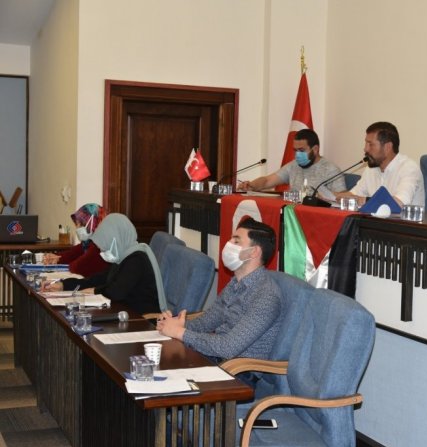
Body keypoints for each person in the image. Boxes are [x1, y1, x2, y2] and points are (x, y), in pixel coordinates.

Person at [157, 217, 282, 363]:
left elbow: (228, 348)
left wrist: (180, 332)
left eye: (236, 241)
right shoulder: (235, 284)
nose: (228, 244)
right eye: (231, 240)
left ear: (253, 252)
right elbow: (204, 324)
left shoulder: (266, 296)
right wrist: (173, 323)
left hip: (238, 370)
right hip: (216, 359)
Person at [43, 213, 164, 314]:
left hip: (141, 319)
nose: (102, 251)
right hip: (124, 312)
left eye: (106, 245)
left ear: (117, 239)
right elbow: (95, 280)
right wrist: (63, 285)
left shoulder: (136, 260)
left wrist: (95, 291)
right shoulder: (121, 258)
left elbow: (116, 292)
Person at [335, 121, 425, 207]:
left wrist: (363, 200)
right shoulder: (371, 169)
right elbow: (353, 194)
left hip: (401, 218)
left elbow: (398, 203)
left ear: (387, 147)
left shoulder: (409, 168)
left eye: (370, 144)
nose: (365, 149)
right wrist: (331, 196)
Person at [238, 128, 346, 195]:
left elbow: (342, 198)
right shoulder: (294, 165)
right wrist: (252, 185)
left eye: (301, 150)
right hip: (292, 215)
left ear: (315, 149)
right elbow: (267, 180)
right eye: (296, 150)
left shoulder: (330, 169)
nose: (297, 154)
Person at [42, 203, 110, 277]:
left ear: (92, 224)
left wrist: (69, 263)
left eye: (80, 224)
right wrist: (56, 258)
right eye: (77, 224)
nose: (77, 228)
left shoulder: (99, 246)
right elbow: (71, 254)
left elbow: (77, 267)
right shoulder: (86, 244)